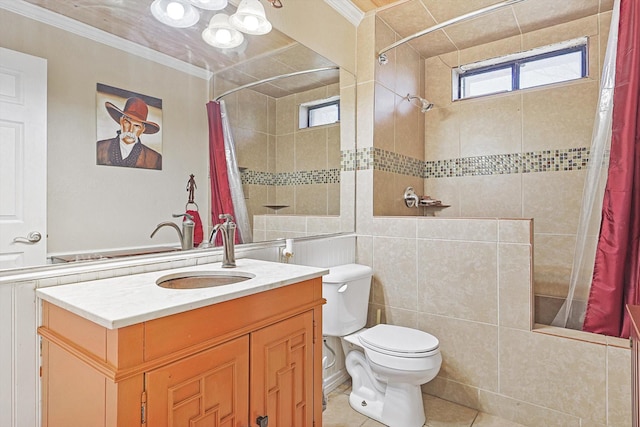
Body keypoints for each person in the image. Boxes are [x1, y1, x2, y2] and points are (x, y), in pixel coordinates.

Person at [97, 97, 162, 170]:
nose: (130, 130)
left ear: (143, 130)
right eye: (127, 122)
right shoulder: (99, 148)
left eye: (137, 126)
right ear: (121, 121)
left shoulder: (155, 160)